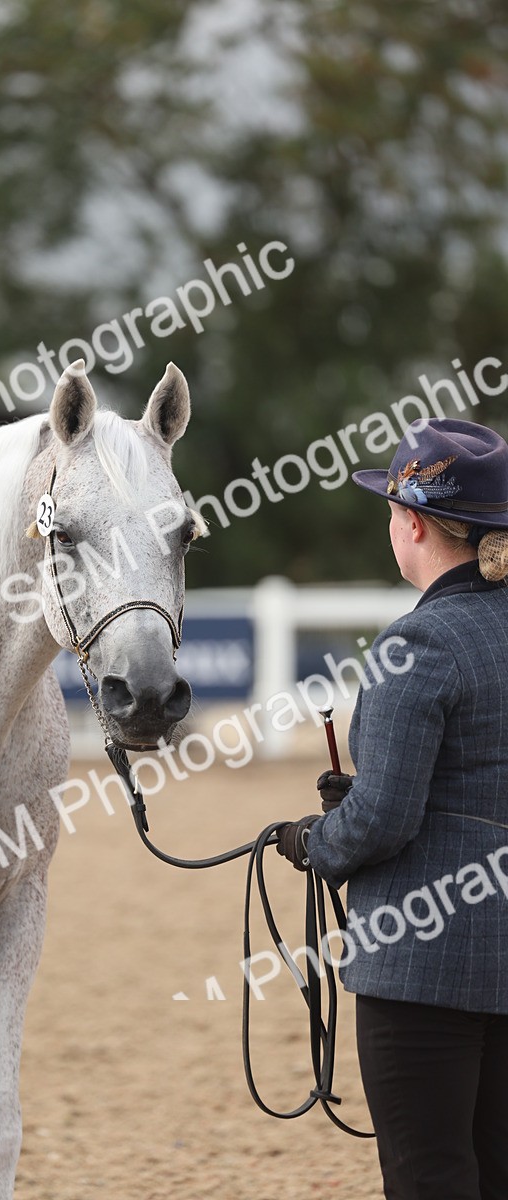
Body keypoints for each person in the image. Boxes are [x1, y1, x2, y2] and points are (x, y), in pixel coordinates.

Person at [276, 417, 508, 1200]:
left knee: (429, 1176)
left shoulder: (419, 644)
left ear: (412, 523)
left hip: (424, 968)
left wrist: (316, 841)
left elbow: (383, 820)